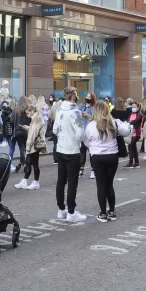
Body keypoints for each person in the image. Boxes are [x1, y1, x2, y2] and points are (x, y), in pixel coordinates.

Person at [83, 101, 130, 222]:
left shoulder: (90, 125)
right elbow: (126, 131)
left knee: (101, 184)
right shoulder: (113, 123)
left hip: (97, 157)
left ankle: (103, 213)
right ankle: (112, 212)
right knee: (109, 184)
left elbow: (86, 142)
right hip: (112, 156)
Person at [54, 87, 87, 221]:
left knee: (61, 180)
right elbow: (80, 133)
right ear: (73, 96)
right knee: (72, 182)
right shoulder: (75, 112)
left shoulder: (59, 110)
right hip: (72, 150)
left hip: (61, 148)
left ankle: (61, 209)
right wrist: (76, 141)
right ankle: (71, 212)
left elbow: (55, 130)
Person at [17, 103, 46, 190]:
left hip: (34, 144)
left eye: (28, 113)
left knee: (33, 163)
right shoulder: (36, 118)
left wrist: (28, 146)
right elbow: (35, 130)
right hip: (35, 144)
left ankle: (34, 182)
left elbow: (33, 134)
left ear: (32, 111)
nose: (27, 115)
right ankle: (27, 181)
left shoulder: (36, 119)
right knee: (30, 162)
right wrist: (28, 128)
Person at [10, 98, 30, 176]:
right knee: (25, 148)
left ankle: (23, 163)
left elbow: (11, 121)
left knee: (22, 147)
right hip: (26, 131)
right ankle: (23, 163)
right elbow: (30, 120)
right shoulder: (28, 110)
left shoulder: (16, 110)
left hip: (18, 131)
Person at [79, 93, 95, 178]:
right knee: (82, 151)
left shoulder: (94, 108)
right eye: (86, 96)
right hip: (82, 131)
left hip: (90, 132)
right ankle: (81, 168)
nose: (87, 98)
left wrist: (87, 115)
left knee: (91, 151)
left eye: (89, 97)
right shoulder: (81, 106)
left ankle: (93, 170)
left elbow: (95, 118)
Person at [125, 101, 145, 169]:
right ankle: (136, 163)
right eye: (132, 107)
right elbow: (128, 120)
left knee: (130, 146)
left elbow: (134, 121)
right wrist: (129, 121)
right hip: (131, 133)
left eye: (134, 107)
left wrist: (130, 121)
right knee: (133, 147)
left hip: (137, 133)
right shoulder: (131, 114)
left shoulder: (140, 115)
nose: (133, 108)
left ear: (138, 107)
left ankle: (130, 162)